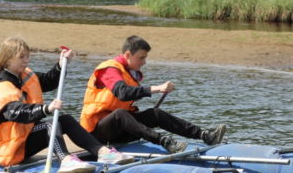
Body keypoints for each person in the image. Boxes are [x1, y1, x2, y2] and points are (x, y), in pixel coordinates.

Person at [0, 36, 133, 173]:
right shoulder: (1, 89)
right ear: (8, 59)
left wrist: (60, 65)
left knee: (65, 119)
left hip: (21, 139)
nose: (26, 60)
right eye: (21, 57)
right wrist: (46, 108)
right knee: (50, 125)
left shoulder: (24, 76)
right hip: (7, 148)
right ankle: (66, 160)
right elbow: (19, 113)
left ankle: (101, 152)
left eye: (27, 56)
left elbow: (49, 80)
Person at [80, 35, 227, 153]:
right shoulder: (109, 69)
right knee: (120, 114)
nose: (144, 62)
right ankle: (165, 142)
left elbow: (129, 95)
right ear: (127, 55)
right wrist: (156, 88)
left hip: (118, 128)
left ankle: (205, 135)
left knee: (154, 114)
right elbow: (122, 93)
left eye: (145, 57)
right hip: (95, 132)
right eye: (141, 57)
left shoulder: (130, 73)